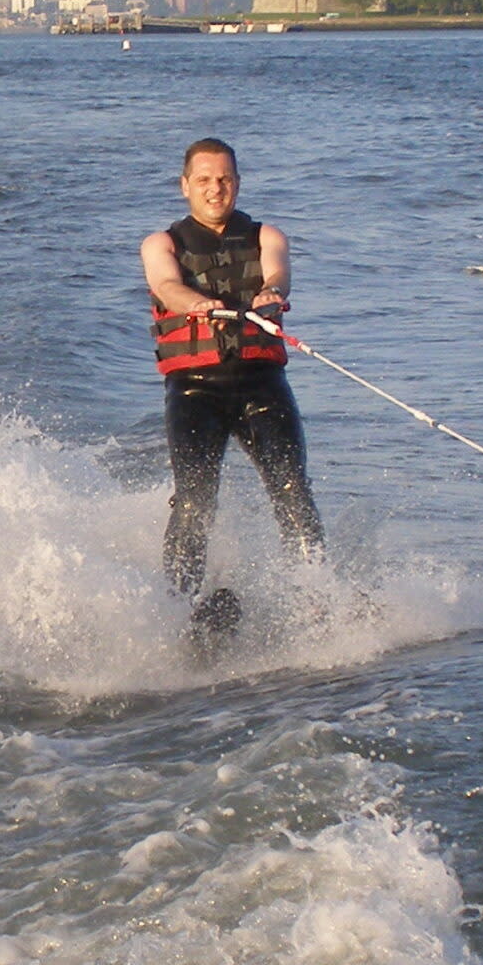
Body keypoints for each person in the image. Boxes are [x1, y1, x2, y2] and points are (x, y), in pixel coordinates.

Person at [141, 138, 323, 619]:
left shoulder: (268, 237)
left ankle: (316, 597)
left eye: (224, 179)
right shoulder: (163, 244)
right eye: (204, 180)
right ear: (185, 186)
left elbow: (278, 274)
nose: (215, 189)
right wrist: (196, 305)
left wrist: (269, 295)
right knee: (195, 499)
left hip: (261, 385)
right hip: (195, 389)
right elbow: (166, 285)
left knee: (292, 489)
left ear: (237, 183)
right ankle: (178, 607)